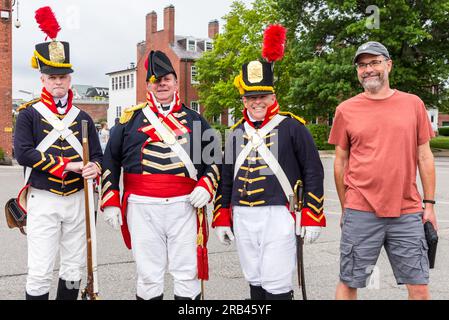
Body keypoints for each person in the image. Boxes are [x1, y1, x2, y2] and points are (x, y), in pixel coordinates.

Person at [212, 25, 326, 300]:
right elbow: (226, 178)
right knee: (254, 279)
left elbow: (313, 171)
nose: (257, 102)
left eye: (262, 96)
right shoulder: (236, 132)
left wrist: (312, 216)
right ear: (243, 100)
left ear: (273, 97)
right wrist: (222, 217)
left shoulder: (293, 127)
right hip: (242, 215)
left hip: (278, 215)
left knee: (276, 284)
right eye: (251, 97)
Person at [101, 50, 220, 300]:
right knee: (148, 275)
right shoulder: (129, 121)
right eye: (156, 80)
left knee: (187, 274)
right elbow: (110, 161)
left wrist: (206, 185)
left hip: (184, 205)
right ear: (148, 85)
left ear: (176, 82)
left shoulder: (196, 120)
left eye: (167, 79)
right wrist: (111, 200)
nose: (162, 84)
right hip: (143, 208)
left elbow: (214, 159)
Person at [329, 41, 437, 300]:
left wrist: (429, 205)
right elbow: (340, 161)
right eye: (363, 65)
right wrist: (347, 207)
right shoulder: (346, 109)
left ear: (388, 65)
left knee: (420, 288)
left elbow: (424, 155)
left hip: (407, 211)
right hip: (361, 210)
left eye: (375, 62)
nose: (369, 69)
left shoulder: (413, 104)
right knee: (349, 282)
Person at [14, 6, 102, 300]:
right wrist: (70, 166)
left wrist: (94, 168)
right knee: (39, 272)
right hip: (44, 198)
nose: (57, 82)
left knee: (73, 270)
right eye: (51, 77)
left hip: (77, 200)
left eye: (62, 77)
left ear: (69, 80)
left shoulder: (84, 117)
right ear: (42, 79)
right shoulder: (28, 115)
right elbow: (24, 154)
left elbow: (99, 156)